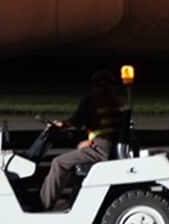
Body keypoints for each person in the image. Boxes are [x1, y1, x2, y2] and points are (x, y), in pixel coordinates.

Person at [40, 70, 125, 210]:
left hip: (101, 149)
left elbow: (77, 120)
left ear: (95, 85)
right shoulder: (117, 102)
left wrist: (62, 124)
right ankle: (73, 202)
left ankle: (44, 204)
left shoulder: (92, 100)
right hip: (110, 147)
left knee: (59, 163)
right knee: (76, 156)